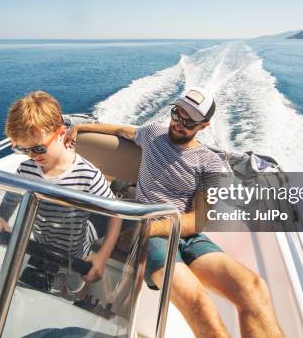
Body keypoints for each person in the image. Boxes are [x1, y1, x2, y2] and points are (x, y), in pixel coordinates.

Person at [65, 87, 284, 338]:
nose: (178, 123)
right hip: (154, 238)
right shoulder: (153, 134)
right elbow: (120, 130)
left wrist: (148, 227)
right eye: (176, 114)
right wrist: (78, 129)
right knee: (199, 304)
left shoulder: (209, 163)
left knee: (254, 289)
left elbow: (198, 219)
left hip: (183, 234)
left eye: (188, 121)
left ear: (204, 125)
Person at [0, 91, 122, 283]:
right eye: (22, 149)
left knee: (77, 286)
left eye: (38, 148)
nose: (32, 156)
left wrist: (103, 256)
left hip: (77, 253)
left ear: (61, 133)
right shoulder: (25, 170)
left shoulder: (88, 175)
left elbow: (116, 214)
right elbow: (8, 204)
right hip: (41, 245)